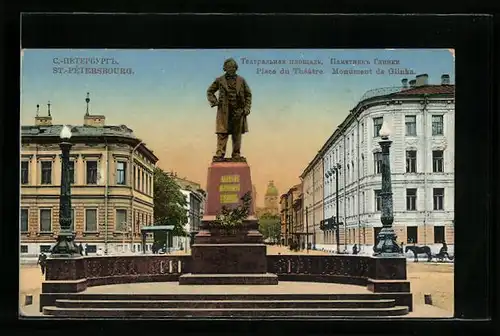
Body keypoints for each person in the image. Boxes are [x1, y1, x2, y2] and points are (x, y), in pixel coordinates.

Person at [207, 58, 252, 160]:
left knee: (237, 135)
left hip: (238, 111)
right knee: (222, 133)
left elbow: (248, 94)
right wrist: (215, 102)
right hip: (224, 112)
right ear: (225, 68)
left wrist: (247, 108)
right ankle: (220, 154)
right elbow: (210, 91)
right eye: (228, 67)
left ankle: (236, 154)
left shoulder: (241, 80)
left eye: (233, 67)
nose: (231, 69)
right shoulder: (219, 80)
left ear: (236, 68)